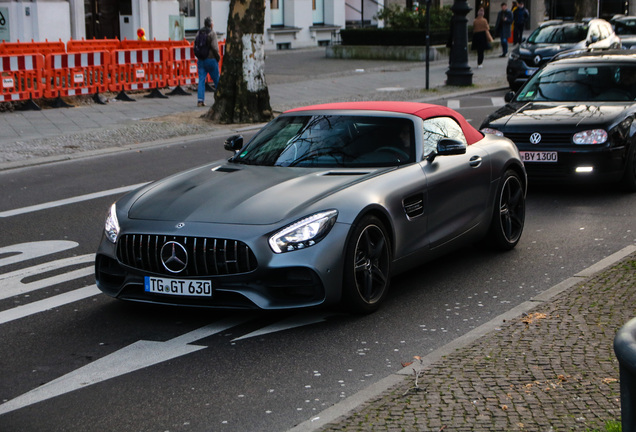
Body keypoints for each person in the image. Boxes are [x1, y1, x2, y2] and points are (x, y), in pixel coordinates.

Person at [196, 17, 221, 107]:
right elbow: (215, 47)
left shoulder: (199, 32)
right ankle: (220, 98)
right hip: (211, 59)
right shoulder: (212, 33)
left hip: (201, 60)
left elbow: (195, 45)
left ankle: (200, 100)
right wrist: (218, 57)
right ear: (211, 24)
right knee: (217, 79)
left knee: (201, 80)